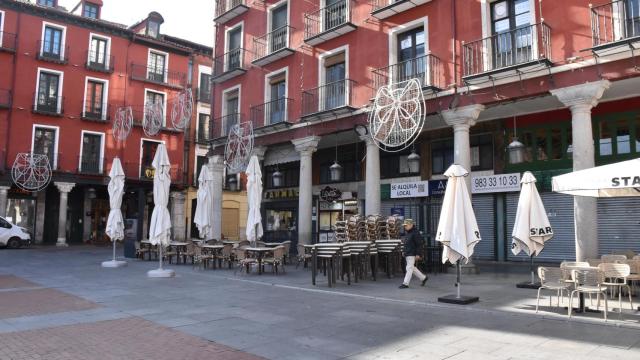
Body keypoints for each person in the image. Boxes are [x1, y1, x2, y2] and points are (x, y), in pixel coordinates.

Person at [399, 219, 428, 289]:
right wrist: (404, 251)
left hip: (412, 253)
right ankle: (423, 278)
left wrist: (418, 254)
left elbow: (419, 244)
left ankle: (405, 283)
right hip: (409, 253)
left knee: (409, 268)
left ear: (411, 225)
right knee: (411, 267)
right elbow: (407, 244)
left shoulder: (415, 233)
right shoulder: (409, 232)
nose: (405, 227)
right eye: (404, 225)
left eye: (406, 225)